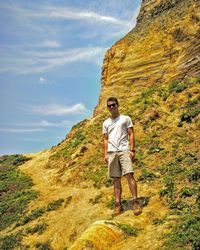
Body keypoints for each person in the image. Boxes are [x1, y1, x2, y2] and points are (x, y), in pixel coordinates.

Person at [103, 97, 142, 216]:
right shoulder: (106, 123)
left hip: (124, 150)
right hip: (112, 152)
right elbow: (105, 139)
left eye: (113, 105)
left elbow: (131, 134)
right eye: (109, 106)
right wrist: (106, 154)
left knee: (129, 175)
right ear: (107, 108)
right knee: (116, 178)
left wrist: (132, 150)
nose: (112, 107)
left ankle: (135, 202)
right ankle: (118, 204)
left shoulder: (125, 118)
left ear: (117, 105)